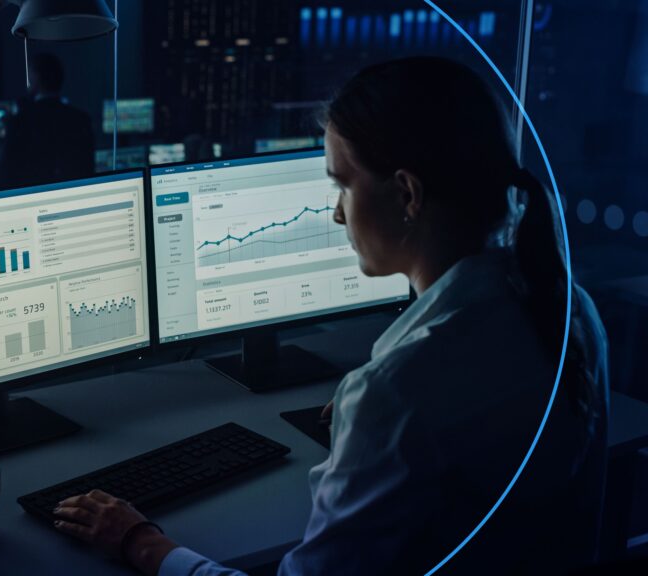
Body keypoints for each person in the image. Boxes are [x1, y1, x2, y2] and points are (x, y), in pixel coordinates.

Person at [52, 57, 610, 575]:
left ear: (408, 194)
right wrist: (371, 414)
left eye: (342, 183)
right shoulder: (567, 310)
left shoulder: (401, 392)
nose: (337, 213)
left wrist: (140, 542)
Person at [0, 52, 95, 187]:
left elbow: (8, 174)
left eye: (30, 74)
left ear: (37, 78)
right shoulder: (81, 119)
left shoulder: (21, 121)